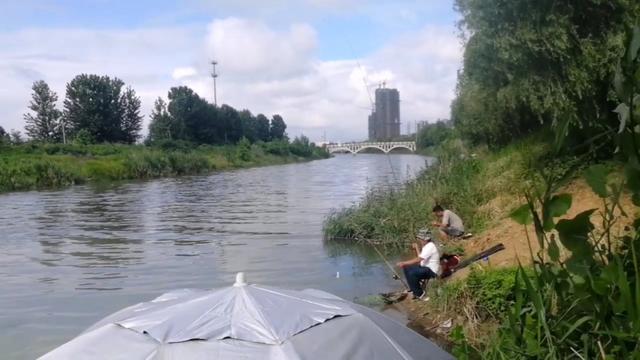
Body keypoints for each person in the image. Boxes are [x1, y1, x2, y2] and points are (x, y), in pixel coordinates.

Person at [396, 229, 440, 300]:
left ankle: (420, 294)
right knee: (406, 267)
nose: (419, 240)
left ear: (425, 239)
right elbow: (420, 259)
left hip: (431, 271)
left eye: (420, 239)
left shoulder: (430, 246)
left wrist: (403, 262)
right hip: (424, 268)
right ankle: (413, 289)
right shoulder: (426, 246)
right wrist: (416, 248)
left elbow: (418, 259)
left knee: (412, 273)